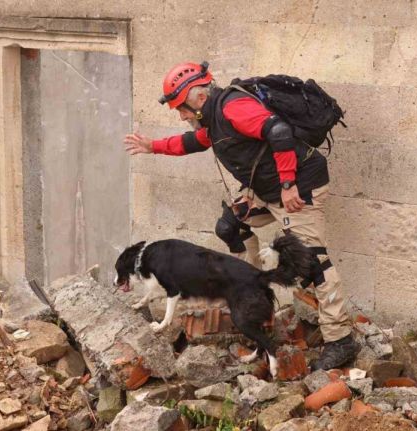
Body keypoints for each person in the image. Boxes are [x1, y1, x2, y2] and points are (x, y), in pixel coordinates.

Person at [123, 61, 358, 370]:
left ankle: (340, 340)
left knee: (314, 263)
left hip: (298, 188)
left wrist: (288, 183)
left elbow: (279, 131)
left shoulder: (233, 108)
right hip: (265, 189)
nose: (180, 116)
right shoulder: (214, 119)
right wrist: (153, 146)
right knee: (229, 226)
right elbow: (193, 142)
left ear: (197, 98)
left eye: (181, 108)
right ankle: (252, 290)